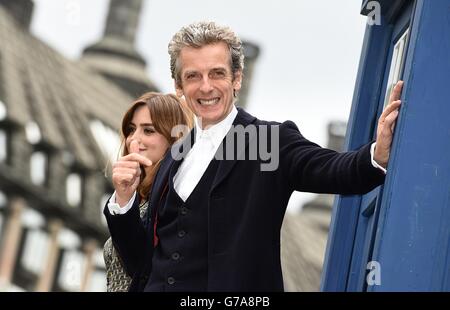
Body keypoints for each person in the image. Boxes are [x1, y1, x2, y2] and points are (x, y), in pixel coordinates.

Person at [104, 21, 404, 292]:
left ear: (237, 79)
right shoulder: (174, 154)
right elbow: (140, 263)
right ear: (179, 87)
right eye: (193, 76)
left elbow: (331, 168)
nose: (206, 86)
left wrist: (376, 154)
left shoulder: (268, 141)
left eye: (217, 73)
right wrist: (123, 202)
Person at [103, 92, 192, 292]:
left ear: (174, 139)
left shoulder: (178, 198)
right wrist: (125, 198)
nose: (134, 140)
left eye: (149, 131)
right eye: (131, 130)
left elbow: (143, 267)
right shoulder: (138, 196)